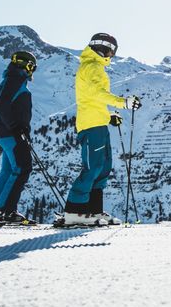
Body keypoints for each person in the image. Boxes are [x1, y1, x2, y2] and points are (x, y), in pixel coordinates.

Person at [58, 33, 142, 227]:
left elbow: (93, 98)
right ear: (103, 48)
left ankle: (94, 211)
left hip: (98, 122)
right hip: (90, 125)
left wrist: (108, 116)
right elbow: (97, 93)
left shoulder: (94, 66)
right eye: (112, 51)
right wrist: (123, 103)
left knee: (103, 168)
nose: (112, 55)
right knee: (92, 167)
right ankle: (74, 212)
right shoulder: (92, 66)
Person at [0, 51, 37, 226]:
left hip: (8, 133)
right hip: (12, 133)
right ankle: (5, 211)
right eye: (32, 66)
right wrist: (17, 127)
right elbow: (2, 106)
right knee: (22, 168)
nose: (32, 70)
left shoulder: (12, 79)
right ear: (26, 65)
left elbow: (6, 106)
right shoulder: (14, 80)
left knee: (8, 172)